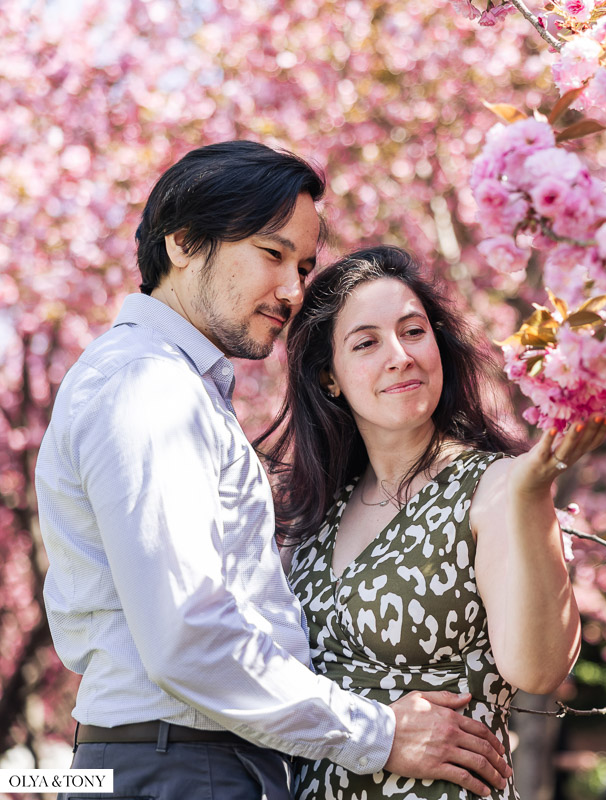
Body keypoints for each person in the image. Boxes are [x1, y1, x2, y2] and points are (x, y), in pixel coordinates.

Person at [35, 142, 510, 800]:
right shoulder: (148, 388)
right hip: (182, 766)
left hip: (192, 760)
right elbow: (189, 636)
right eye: (271, 253)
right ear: (182, 242)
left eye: (305, 265)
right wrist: (378, 733)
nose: (292, 291)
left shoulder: (177, 386)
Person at [257, 244, 604, 799]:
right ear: (330, 378)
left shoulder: (494, 484)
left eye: (413, 331)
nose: (400, 355)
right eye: (367, 343)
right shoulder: (319, 511)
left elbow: (538, 670)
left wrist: (533, 494)